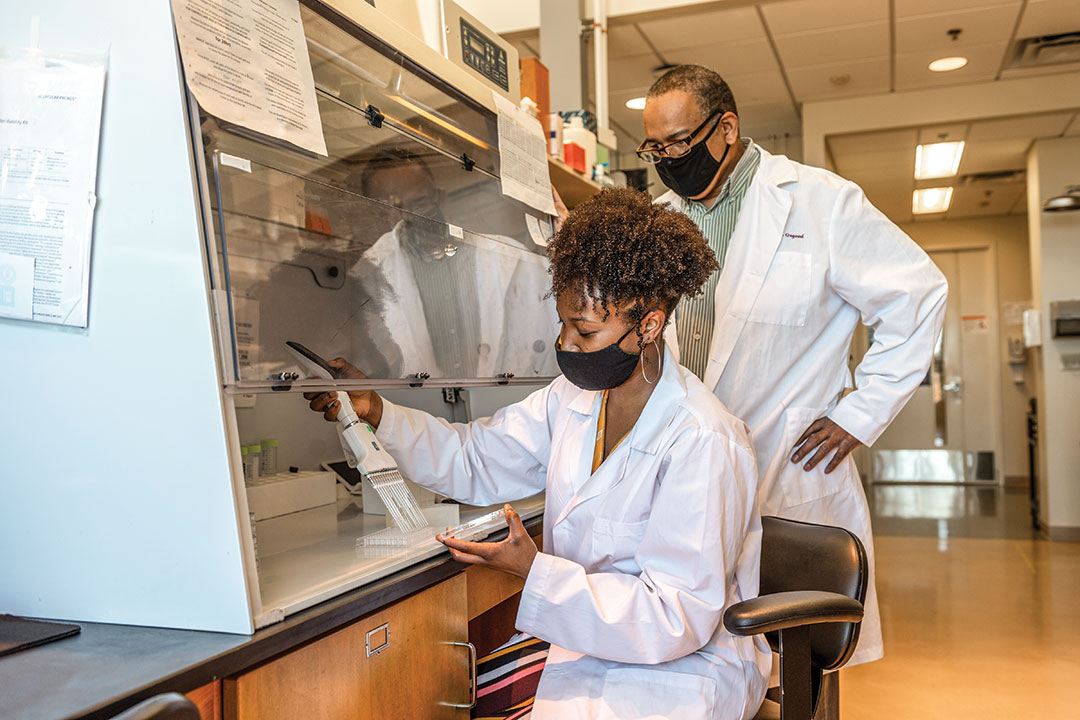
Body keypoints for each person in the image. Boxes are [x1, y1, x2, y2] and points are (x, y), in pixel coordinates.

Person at [306, 188, 771, 719]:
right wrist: (376, 411)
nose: (566, 345)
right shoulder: (572, 399)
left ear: (649, 325)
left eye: (586, 331)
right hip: (591, 646)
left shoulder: (704, 438)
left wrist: (536, 572)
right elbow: (476, 459)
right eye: (563, 323)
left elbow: (675, 618)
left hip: (680, 669)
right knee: (445, 697)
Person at [634, 64, 949, 667]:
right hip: (686, 462)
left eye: (677, 142)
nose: (667, 159)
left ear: (725, 128)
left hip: (788, 461)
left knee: (800, 657)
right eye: (654, 146)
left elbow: (918, 295)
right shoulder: (658, 219)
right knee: (699, 651)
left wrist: (861, 413)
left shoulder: (819, 201)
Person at [341, 147, 558, 379]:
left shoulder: (506, 256)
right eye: (395, 207)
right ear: (379, 213)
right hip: (423, 410)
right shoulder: (370, 274)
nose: (409, 215)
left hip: (509, 405)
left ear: (440, 197)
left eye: (419, 202)